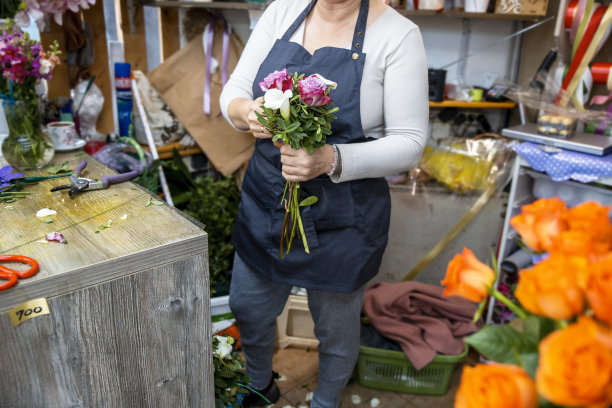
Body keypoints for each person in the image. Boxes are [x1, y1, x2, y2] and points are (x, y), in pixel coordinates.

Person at [219, 0, 428, 406]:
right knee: (248, 307)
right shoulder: (283, 11)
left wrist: (329, 159)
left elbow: (410, 142)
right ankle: (259, 386)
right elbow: (235, 92)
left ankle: (326, 401)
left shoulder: (398, 36)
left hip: (344, 217)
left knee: (336, 330)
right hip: (269, 203)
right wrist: (247, 111)